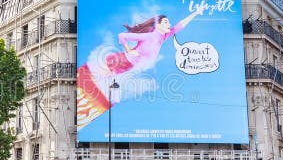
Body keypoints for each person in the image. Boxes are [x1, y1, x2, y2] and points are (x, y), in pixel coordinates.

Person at [76, 8, 204, 128]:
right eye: (165, 22)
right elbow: (122, 36)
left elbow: (179, 26)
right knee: (92, 91)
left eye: (169, 22)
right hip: (119, 62)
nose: (169, 24)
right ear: (157, 25)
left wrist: (196, 13)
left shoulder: (163, 37)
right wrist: (129, 50)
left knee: (104, 96)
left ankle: (84, 115)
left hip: (122, 67)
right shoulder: (149, 36)